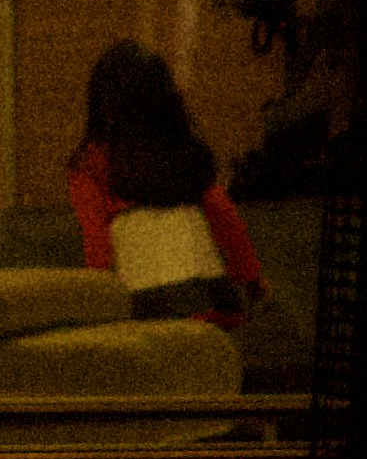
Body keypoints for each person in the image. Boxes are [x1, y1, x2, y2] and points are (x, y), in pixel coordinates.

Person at [69, 41, 267, 321]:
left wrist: (99, 302)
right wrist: (250, 277)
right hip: (207, 289)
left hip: (141, 292)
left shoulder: (91, 162)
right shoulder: (183, 151)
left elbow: (97, 240)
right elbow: (224, 216)